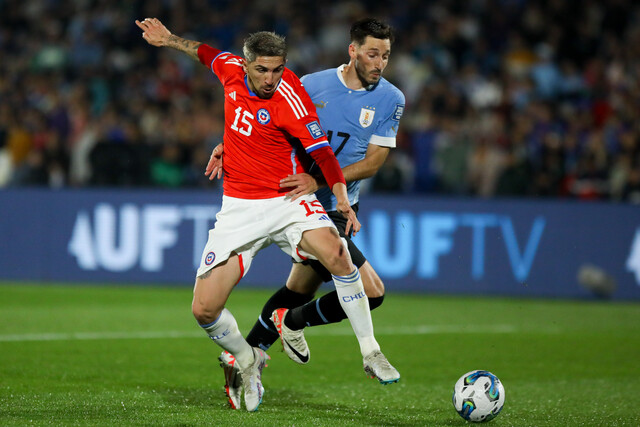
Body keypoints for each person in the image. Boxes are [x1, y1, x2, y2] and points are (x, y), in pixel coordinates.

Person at [135, 17, 395, 412]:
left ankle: (370, 351)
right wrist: (168, 39)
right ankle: (247, 358)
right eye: (262, 70)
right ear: (245, 64)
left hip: (286, 199)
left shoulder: (292, 95)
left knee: (338, 254)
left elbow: (322, 151)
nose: (271, 79)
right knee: (204, 309)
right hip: (239, 206)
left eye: (278, 69)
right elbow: (204, 52)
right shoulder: (229, 70)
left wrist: (339, 195)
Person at [207, 18, 404, 409]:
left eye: (385, 55)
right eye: (371, 53)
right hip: (299, 204)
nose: (379, 62)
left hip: (339, 202)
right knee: (371, 291)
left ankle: (254, 348)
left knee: (296, 293)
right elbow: (261, 117)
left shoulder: (391, 99)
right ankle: (282, 332)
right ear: (352, 50)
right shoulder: (310, 84)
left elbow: (374, 162)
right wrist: (229, 144)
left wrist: (323, 183)